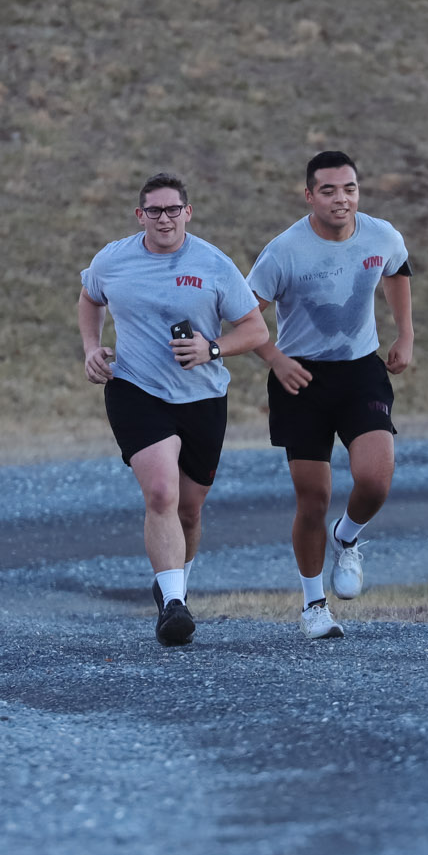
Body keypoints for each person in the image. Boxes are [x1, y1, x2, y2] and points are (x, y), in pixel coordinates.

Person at [78, 173, 268, 646]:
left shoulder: (213, 263)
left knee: (188, 510)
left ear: (188, 212)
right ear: (140, 215)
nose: (165, 218)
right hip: (136, 389)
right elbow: (89, 297)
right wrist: (91, 346)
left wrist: (213, 349)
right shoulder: (113, 259)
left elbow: (256, 330)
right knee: (160, 494)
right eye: (155, 211)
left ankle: (172, 586)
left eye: (173, 209)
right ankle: (175, 607)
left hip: (203, 396)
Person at [247, 151, 415, 640]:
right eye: (328, 190)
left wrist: (405, 334)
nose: (341, 199)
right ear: (309, 196)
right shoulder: (284, 251)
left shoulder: (382, 235)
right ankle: (313, 605)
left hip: (361, 370)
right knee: (313, 497)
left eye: (350, 189)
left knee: (376, 479)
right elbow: (244, 314)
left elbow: (398, 270)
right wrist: (276, 359)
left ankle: (348, 537)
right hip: (300, 378)